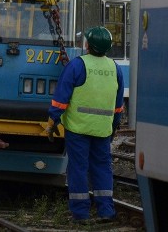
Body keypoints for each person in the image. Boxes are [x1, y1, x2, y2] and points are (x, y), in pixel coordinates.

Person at [46, 26, 124, 224]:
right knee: (102, 168)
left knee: (78, 169)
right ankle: (106, 210)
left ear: (88, 44)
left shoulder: (77, 65)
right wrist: (113, 127)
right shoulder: (115, 69)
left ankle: (81, 214)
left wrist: (52, 121)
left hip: (78, 129)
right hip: (102, 130)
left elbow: (61, 99)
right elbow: (118, 106)